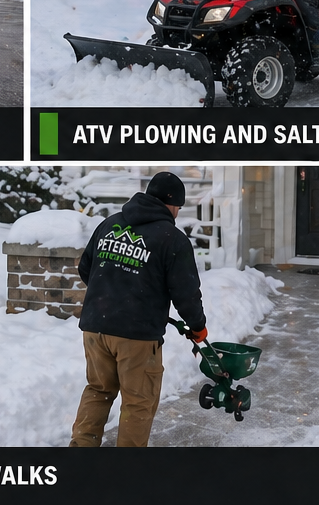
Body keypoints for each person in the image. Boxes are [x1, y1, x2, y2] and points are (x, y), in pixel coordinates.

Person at [70, 172, 206, 448]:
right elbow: (186, 293)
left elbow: (86, 268)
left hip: (95, 327)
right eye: (178, 207)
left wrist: (113, 294)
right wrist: (197, 326)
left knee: (98, 390)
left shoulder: (109, 224)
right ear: (171, 204)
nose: (177, 213)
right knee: (138, 402)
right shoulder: (172, 239)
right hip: (136, 336)